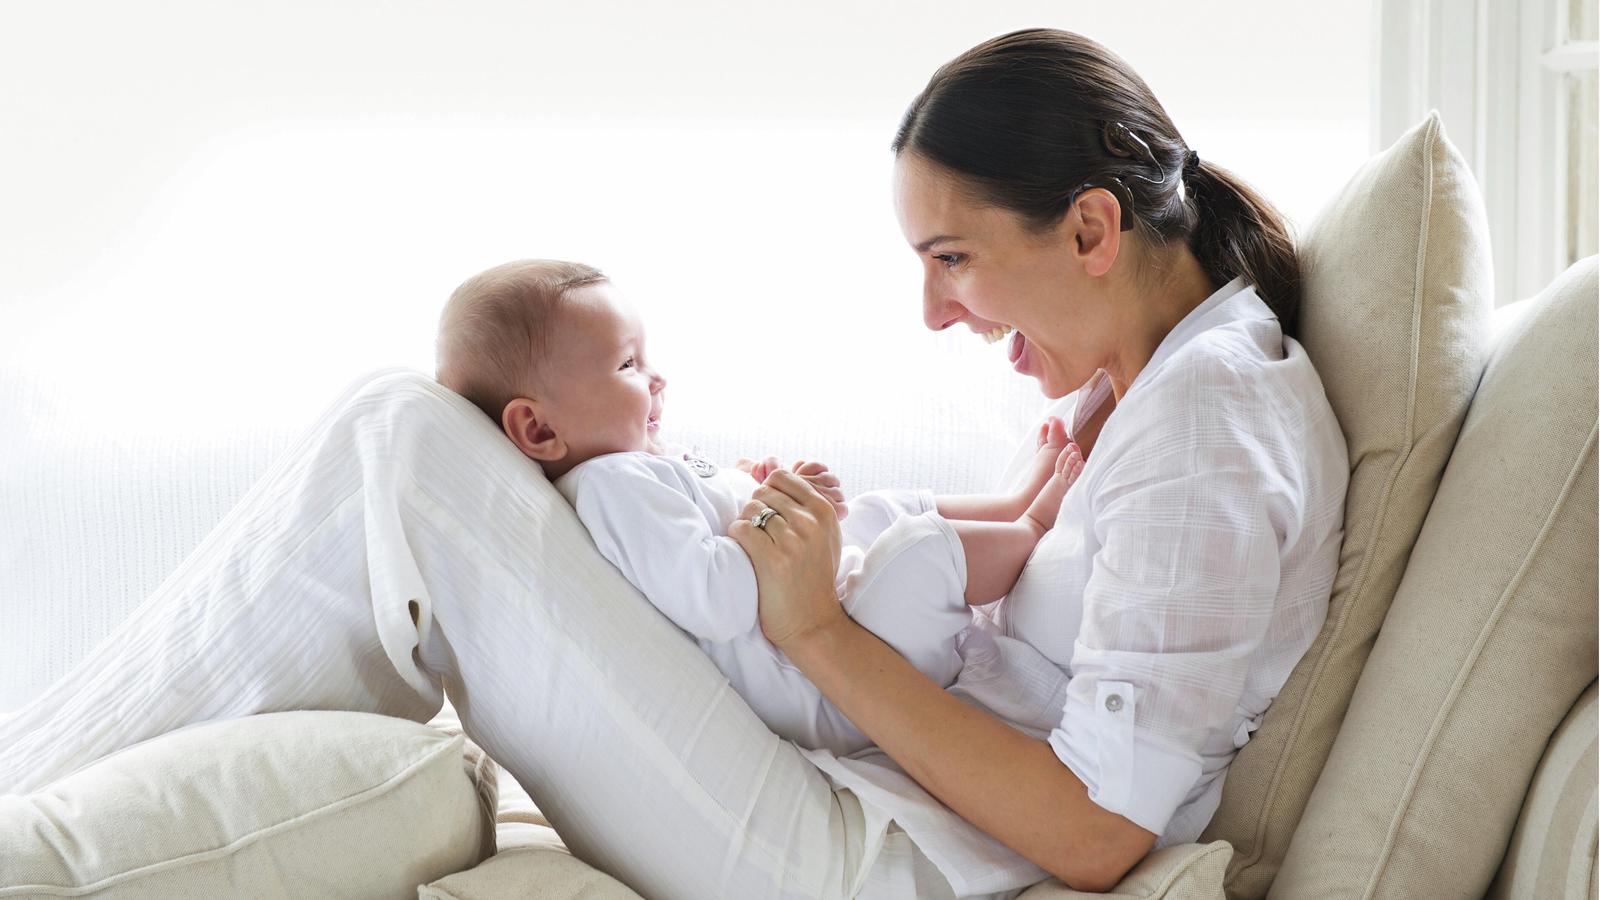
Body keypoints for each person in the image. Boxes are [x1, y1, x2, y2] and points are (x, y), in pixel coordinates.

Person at [0, 27, 1348, 900]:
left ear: (1093, 227)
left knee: (399, 447)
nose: (938, 313)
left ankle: (16, 820)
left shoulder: (1205, 436)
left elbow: (1097, 834)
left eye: (953, 260)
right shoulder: (1158, 396)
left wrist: (815, 628)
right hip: (863, 793)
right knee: (397, 444)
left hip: (877, 863)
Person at [433, 259, 1086, 755]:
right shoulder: (610, 488)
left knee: (879, 511)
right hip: (834, 686)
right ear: (539, 431)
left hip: (835, 627)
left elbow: (708, 526)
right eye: (628, 364)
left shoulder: (635, 468)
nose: (656, 377)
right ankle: (1032, 525)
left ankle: (1010, 505)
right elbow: (716, 599)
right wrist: (769, 514)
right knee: (916, 551)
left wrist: (754, 490)